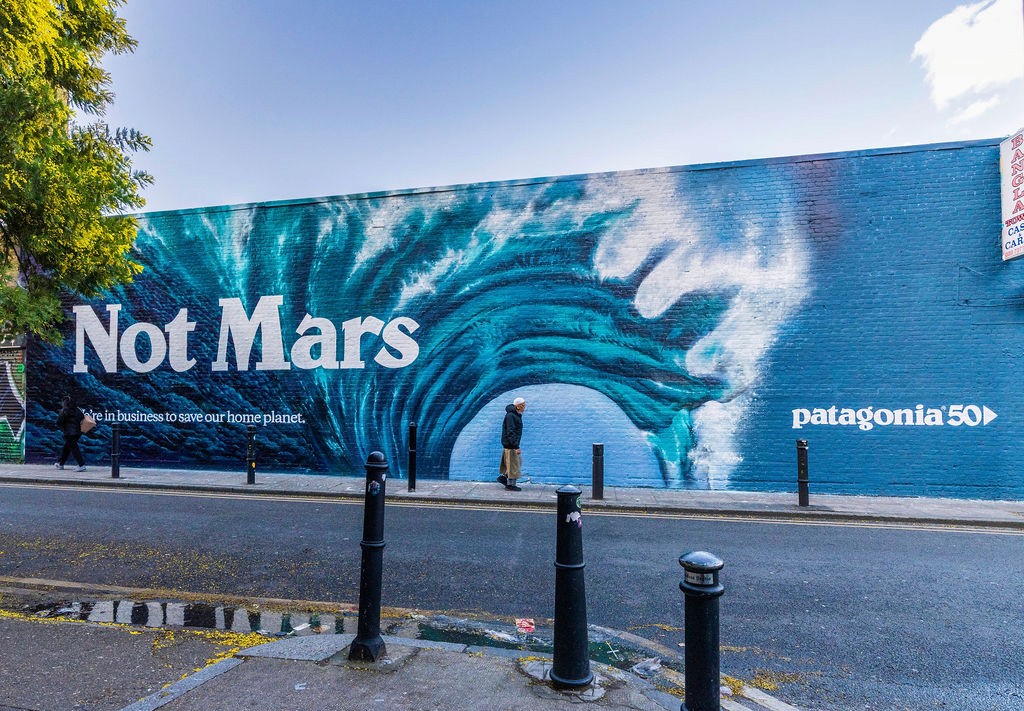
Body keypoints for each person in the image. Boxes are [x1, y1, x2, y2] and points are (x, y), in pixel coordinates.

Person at [497, 397, 526, 491]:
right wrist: (516, 446)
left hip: (510, 444)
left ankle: (504, 477)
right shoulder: (511, 416)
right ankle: (510, 485)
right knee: (514, 464)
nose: (524, 407)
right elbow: (511, 432)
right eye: (522, 405)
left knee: (514, 463)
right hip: (511, 445)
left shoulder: (514, 415)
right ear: (517, 406)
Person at [54, 395, 86, 472]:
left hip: (69, 433)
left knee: (74, 449)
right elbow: (82, 417)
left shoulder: (64, 411)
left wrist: (63, 428)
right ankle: (61, 464)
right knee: (67, 448)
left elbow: (58, 422)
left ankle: (81, 465)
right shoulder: (78, 410)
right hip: (78, 432)